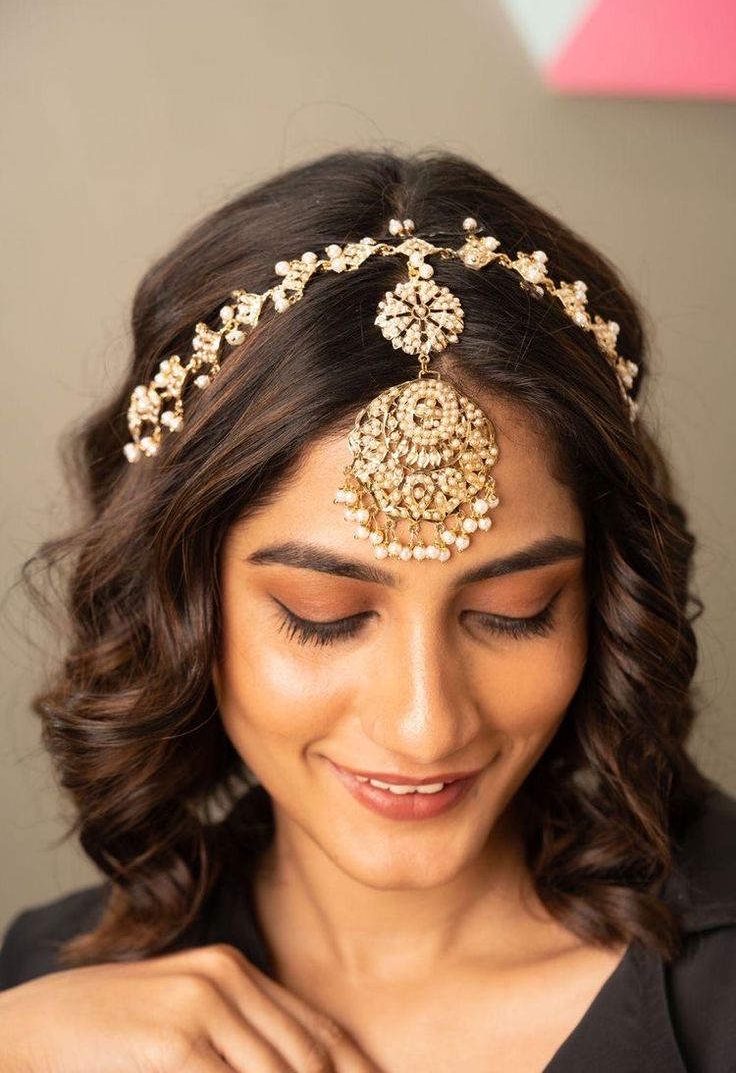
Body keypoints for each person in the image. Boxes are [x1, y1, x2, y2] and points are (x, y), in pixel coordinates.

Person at [0, 147, 734, 1073]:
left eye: (515, 611)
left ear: (604, 602)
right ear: (180, 602)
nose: (425, 725)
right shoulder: (47, 999)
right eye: (323, 615)